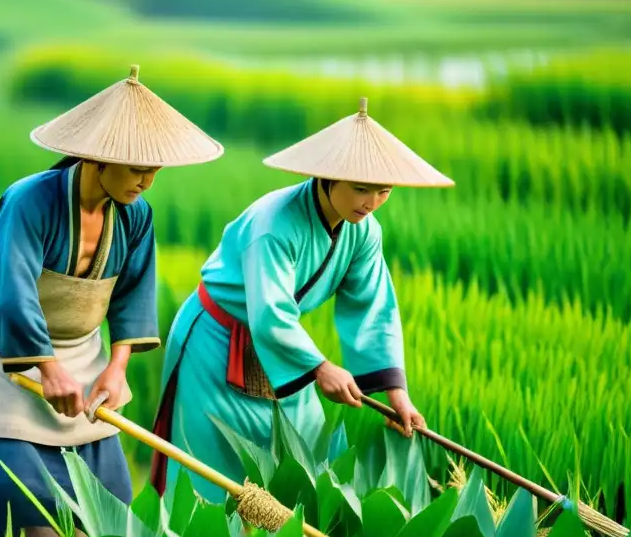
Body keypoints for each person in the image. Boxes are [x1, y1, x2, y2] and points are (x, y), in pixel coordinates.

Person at [0, 64, 223, 537]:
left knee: (103, 518)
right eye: (137, 169)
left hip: (85, 362)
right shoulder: (29, 202)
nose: (147, 182)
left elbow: (133, 294)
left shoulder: (136, 216)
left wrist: (117, 367)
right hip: (14, 359)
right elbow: (11, 291)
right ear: (97, 158)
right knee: (20, 509)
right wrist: (46, 368)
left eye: (155, 170)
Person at [149, 97, 454, 503]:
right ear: (327, 177)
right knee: (212, 468)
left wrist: (396, 393)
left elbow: (372, 308)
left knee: (307, 454)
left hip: (280, 348)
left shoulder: (363, 232)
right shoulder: (275, 226)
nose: (372, 202)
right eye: (361, 189)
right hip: (216, 343)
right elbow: (271, 313)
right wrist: (320, 367)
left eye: (384, 191)